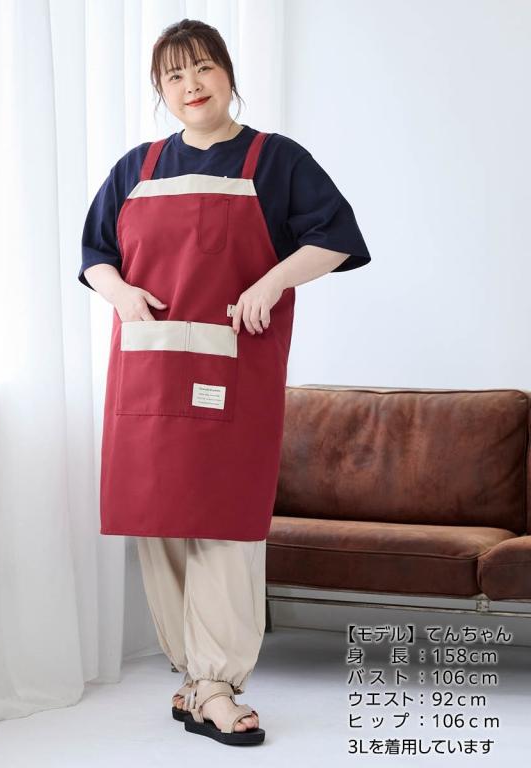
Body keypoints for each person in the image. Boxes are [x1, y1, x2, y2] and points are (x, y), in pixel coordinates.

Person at [79, 18, 371, 747]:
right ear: (161, 91)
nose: (191, 85)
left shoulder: (275, 160)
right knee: (161, 523)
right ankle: (193, 678)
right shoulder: (138, 167)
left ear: (228, 73)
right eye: (174, 76)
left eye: (203, 67)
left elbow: (336, 237)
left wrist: (272, 281)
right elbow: (94, 254)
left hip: (232, 369)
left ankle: (216, 682)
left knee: (225, 522)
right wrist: (120, 294)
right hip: (149, 367)